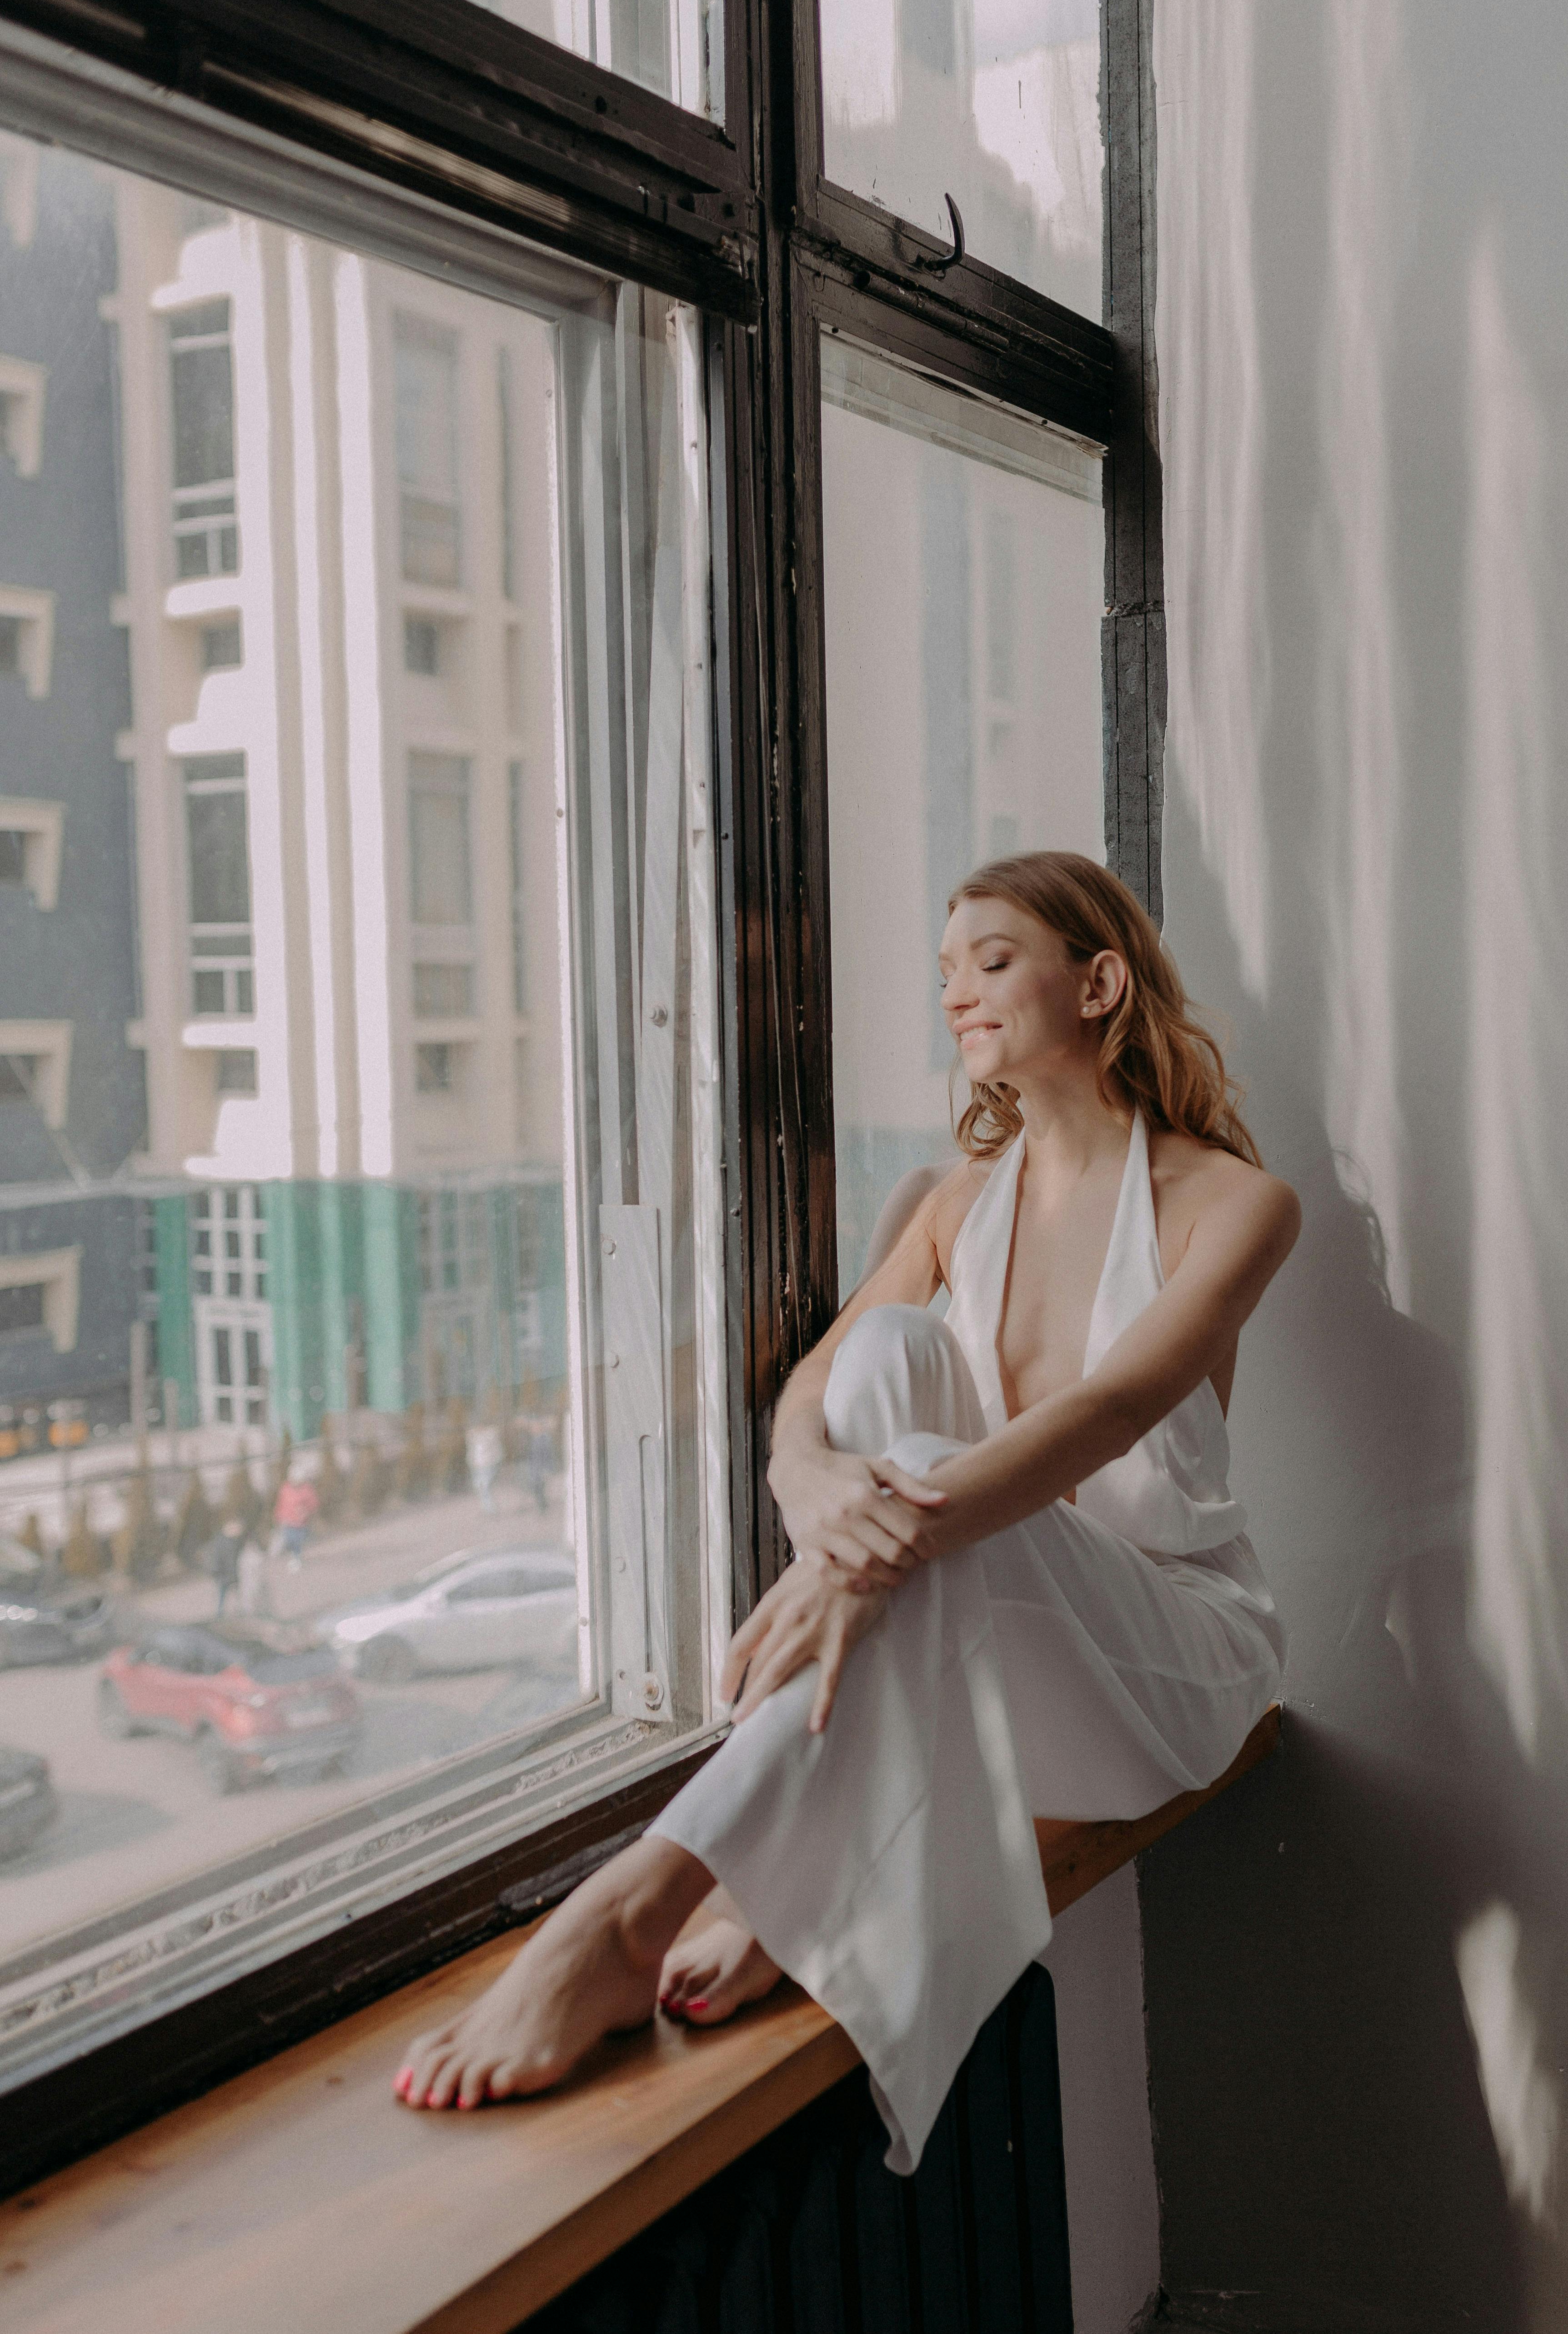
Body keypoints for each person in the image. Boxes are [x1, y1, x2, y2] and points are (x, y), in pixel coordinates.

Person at [394, 852, 1301, 2171]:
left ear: (1099, 981)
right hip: (983, 1638)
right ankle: (782, 1878)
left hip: (1170, 1661)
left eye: (992, 959)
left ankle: (638, 1903)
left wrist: (870, 1547)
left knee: (919, 1454)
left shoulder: (1232, 1202)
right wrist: (814, 1502)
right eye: (945, 972)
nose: (957, 993)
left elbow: (1111, 1414)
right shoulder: (951, 1204)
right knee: (882, 1368)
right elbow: (817, 1392)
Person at [272, 1470, 318, 1571]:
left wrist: (306, 1510)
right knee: (289, 1539)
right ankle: (293, 1555)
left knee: (298, 1540)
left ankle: (297, 1557)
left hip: (301, 1522)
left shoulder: (307, 1490)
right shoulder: (285, 1489)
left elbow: (313, 1504)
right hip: (287, 1520)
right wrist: (278, 1516)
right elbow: (281, 1504)